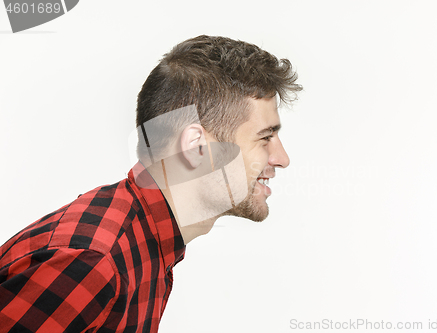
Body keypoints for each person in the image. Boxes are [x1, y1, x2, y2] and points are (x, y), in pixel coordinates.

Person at [0, 35, 302, 332]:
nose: (282, 158)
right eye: (265, 137)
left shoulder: (145, 242)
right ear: (196, 148)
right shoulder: (95, 261)